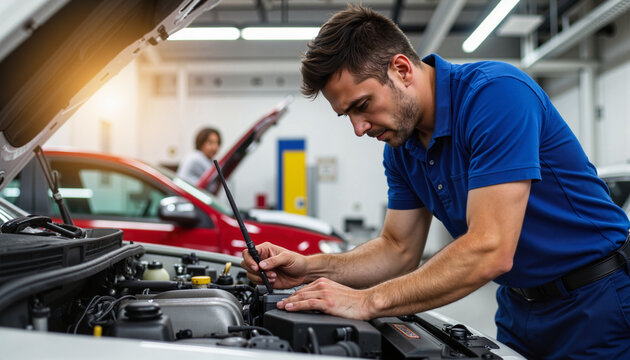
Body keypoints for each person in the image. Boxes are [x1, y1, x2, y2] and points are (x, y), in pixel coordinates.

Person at [241, 5, 630, 359]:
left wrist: (368, 301)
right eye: (348, 116)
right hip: (519, 307)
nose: (359, 128)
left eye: (362, 105)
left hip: (596, 301)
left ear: (402, 70)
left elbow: (490, 247)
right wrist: (310, 267)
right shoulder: (400, 147)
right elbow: (397, 248)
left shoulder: (495, 95)